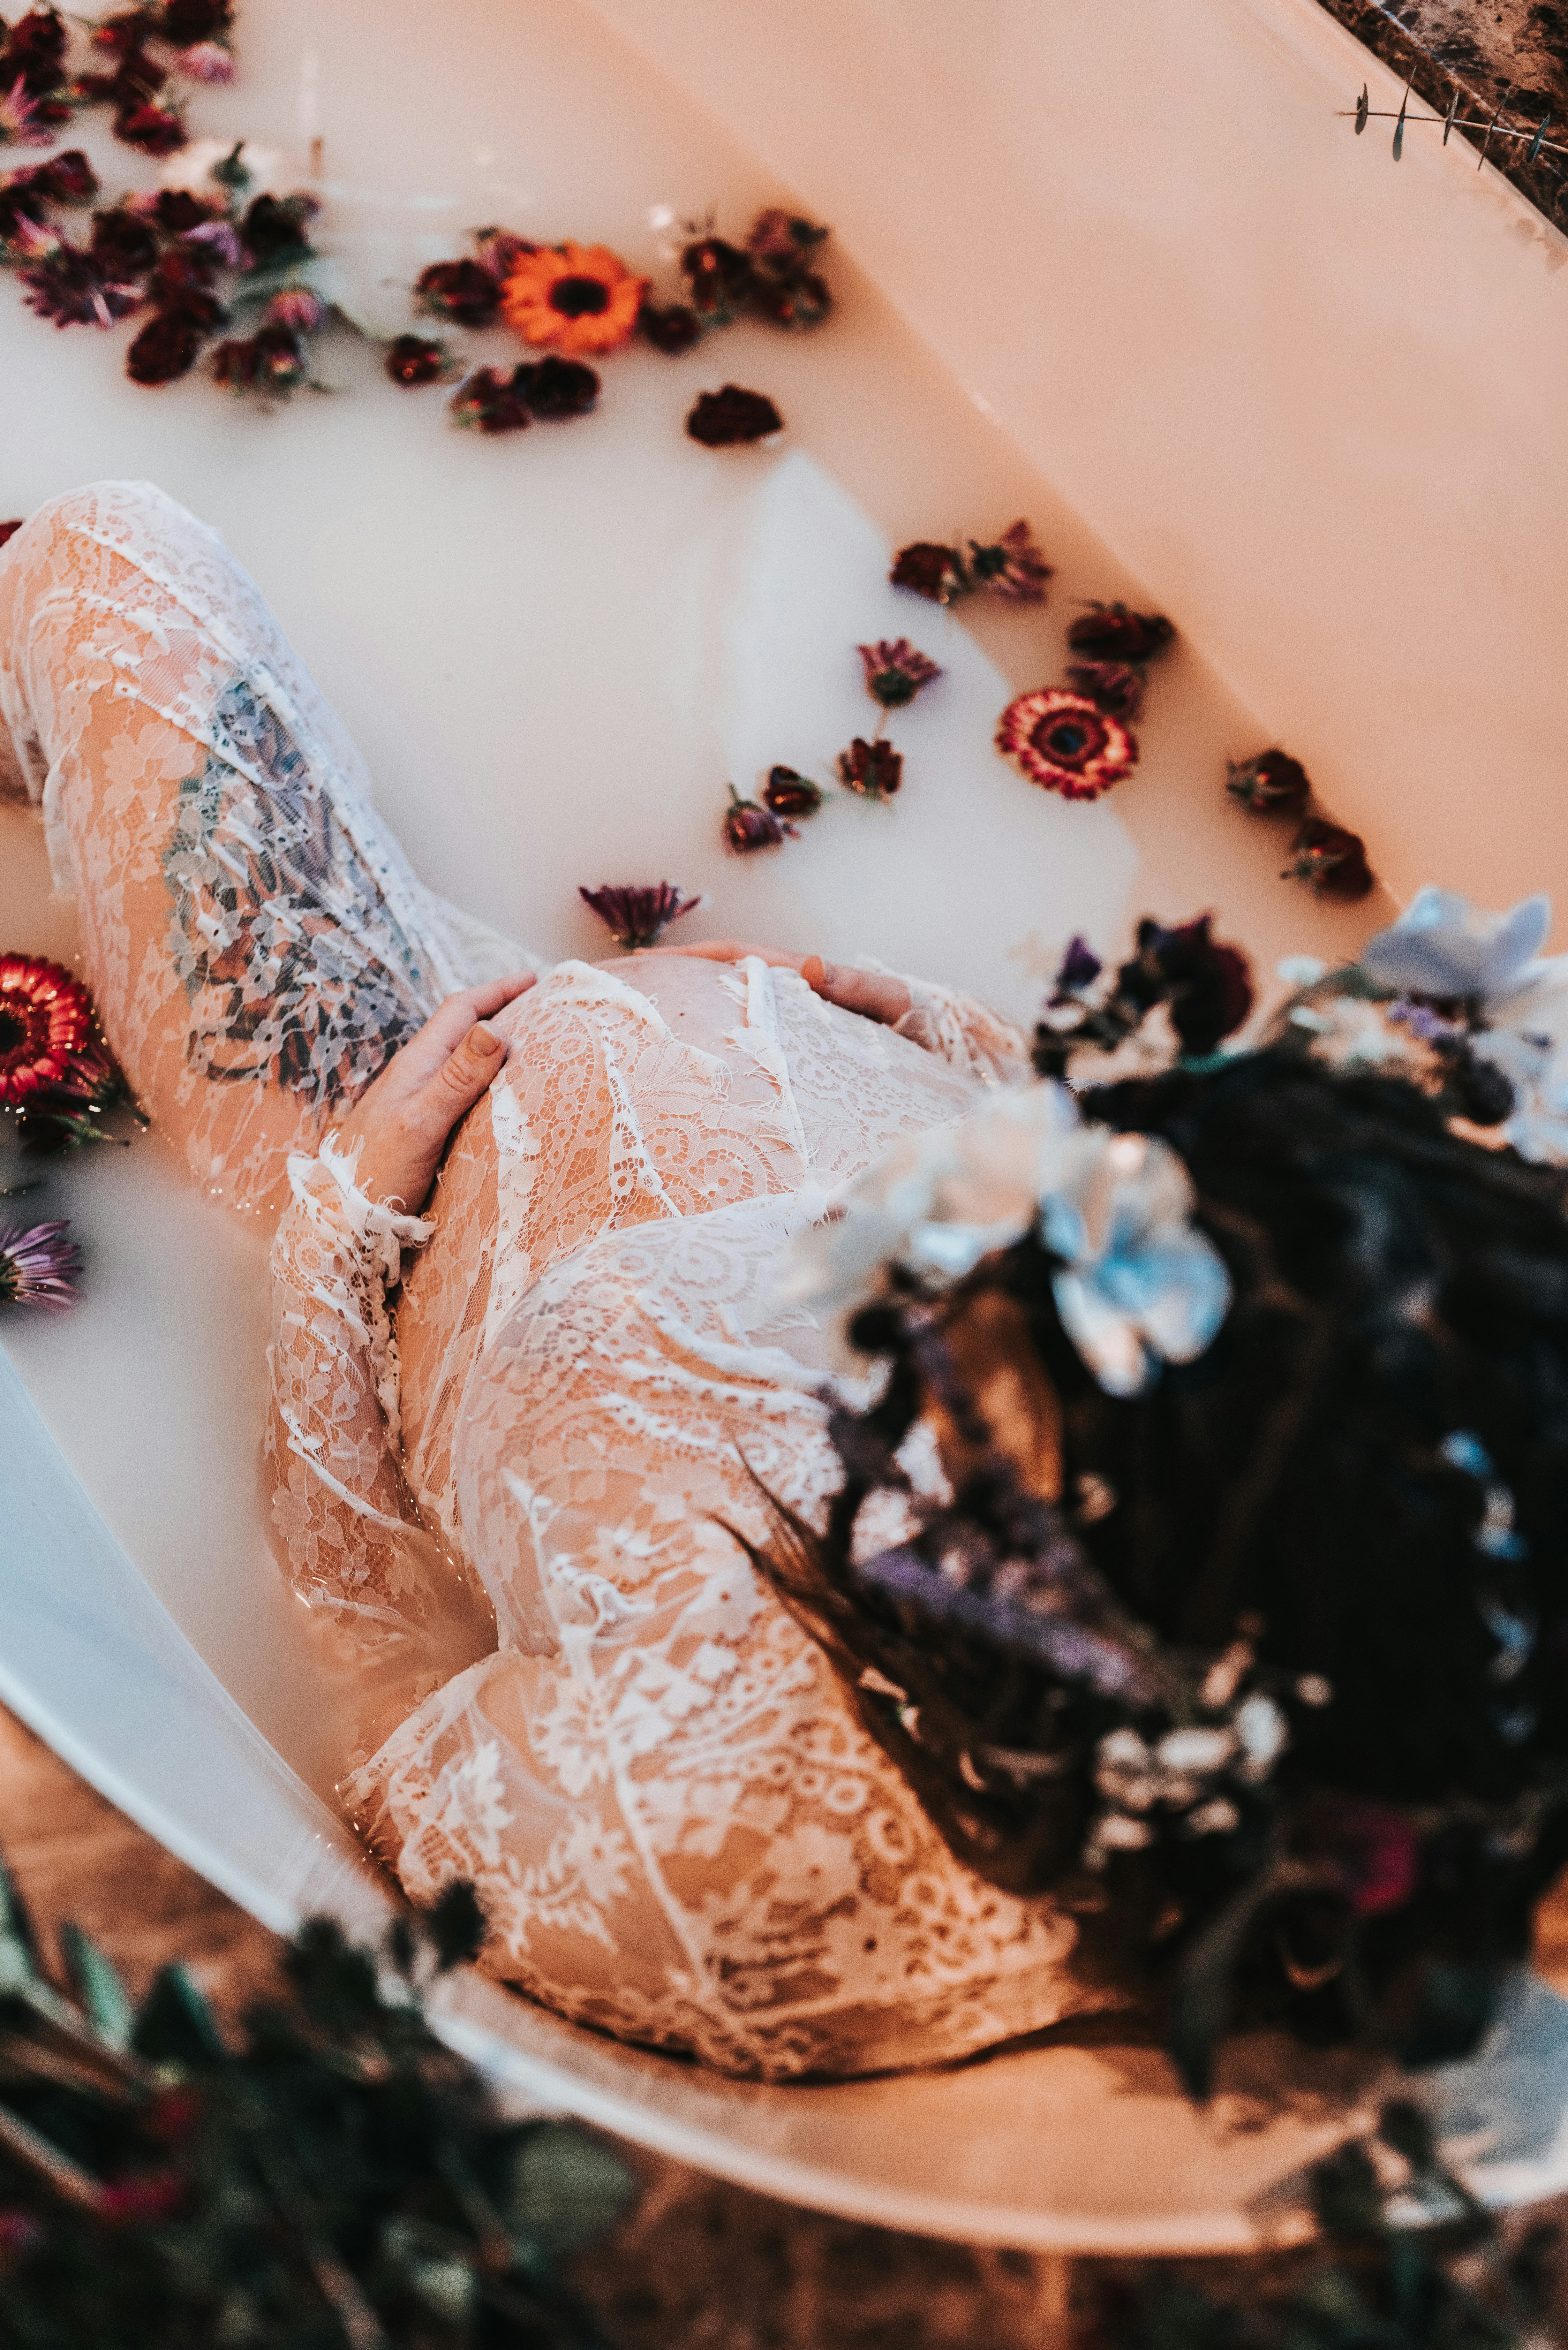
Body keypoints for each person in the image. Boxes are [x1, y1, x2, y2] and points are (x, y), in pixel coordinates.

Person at [0, 481, 1106, 2078]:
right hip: (667, 1038)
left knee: (101, 560)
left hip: (377, 1112)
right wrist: (919, 1036)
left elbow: (383, 1694)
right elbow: (1147, 1167)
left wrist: (337, 1236)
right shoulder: (1351, 1448)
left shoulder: (703, 1859)